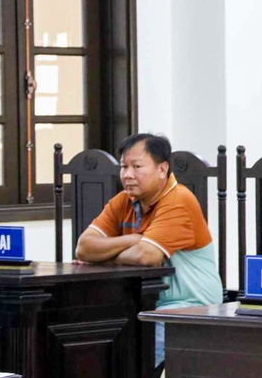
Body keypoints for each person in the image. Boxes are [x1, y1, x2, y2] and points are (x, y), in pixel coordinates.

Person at [75, 133, 224, 365]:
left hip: (189, 307)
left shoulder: (178, 200)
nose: (127, 175)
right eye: (124, 167)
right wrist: (134, 239)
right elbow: (84, 248)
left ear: (162, 169)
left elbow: (146, 256)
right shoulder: (123, 201)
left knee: (140, 365)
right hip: (145, 304)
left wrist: (104, 257)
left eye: (137, 166)